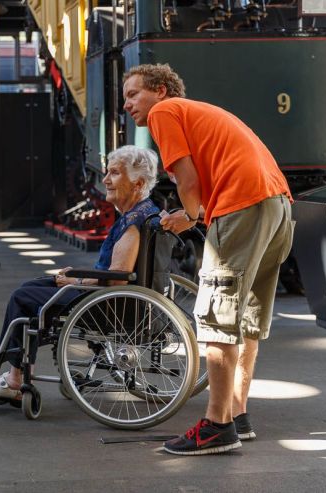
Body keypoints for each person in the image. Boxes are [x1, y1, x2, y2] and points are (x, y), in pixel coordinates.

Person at [122, 63, 294, 455]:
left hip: (242, 204)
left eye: (133, 94)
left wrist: (191, 212)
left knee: (216, 315)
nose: (127, 105)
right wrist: (193, 214)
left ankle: (218, 426)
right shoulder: (203, 113)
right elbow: (200, 187)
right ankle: (237, 414)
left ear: (161, 90)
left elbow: (187, 179)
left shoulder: (166, 112)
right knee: (247, 317)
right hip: (277, 204)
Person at [0, 145, 160, 402]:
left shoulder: (132, 225)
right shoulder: (145, 213)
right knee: (33, 287)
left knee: (22, 297)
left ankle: (15, 380)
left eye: (114, 173)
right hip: (106, 297)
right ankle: (19, 374)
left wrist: (76, 280)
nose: (105, 180)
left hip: (104, 303)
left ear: (137, 183)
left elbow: (118, 277)